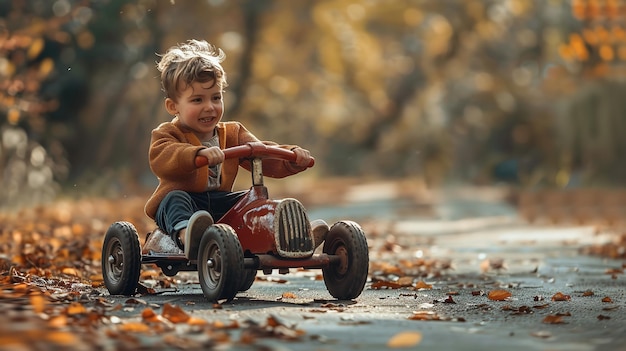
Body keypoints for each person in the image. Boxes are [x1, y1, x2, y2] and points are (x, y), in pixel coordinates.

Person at [142, 39, 327, 257]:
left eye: (216, 97)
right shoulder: (167, 134)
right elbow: (163, 158)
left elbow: (261, 151)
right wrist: (197, 154)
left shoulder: (232, 133)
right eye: (197, 100)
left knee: (251, 200)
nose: (209, 107)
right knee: (174, 200)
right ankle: (188, 236)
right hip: (184, 203)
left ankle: (291, 237)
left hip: (219, 204)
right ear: (173, 106)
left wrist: (291, 158)